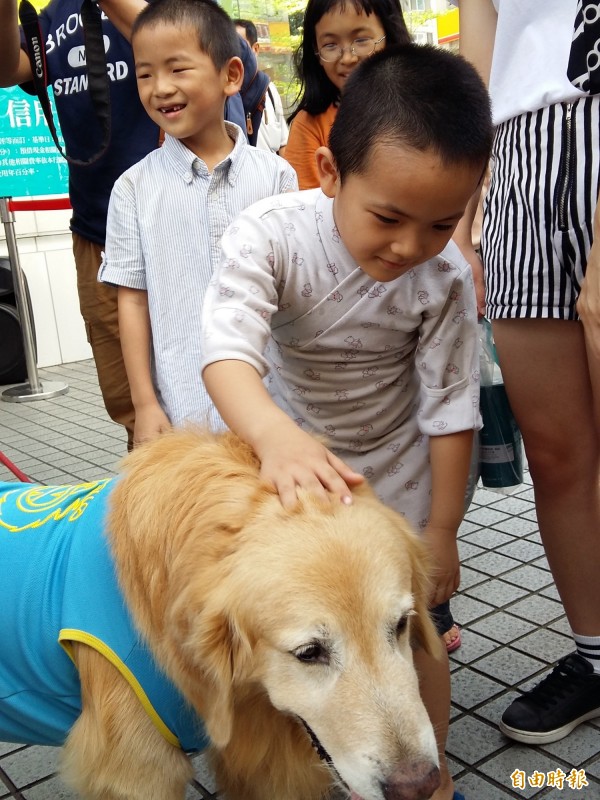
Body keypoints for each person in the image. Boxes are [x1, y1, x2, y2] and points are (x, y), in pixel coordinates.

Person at [201, 44, 493, 800]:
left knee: (414, 633)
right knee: (305, 646)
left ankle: (430, 775)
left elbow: (452, 407)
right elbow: (227, 353)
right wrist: (273, 435)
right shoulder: (270, 235)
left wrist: (441, 532)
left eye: (441, 223)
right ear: (328, 172)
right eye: (389, 217)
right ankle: (305, 768)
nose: (409, 247)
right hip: (292, 486)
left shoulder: (444, 275)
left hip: (396, 488)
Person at [0, 0, 257, 452]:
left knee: (232, 373)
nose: (159, 86)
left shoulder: (171, 8)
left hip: (194, 219)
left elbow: (205, 49)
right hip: (99, 224)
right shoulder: (55, 14)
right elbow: (9, 67)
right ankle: (160, 493)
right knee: (135, 404)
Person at [458, 0, 600, 744]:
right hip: (517, 148)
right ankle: (596, 655)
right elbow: (483, 32)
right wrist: (466, 192)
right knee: (555, 451)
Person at [98, 0, 297, 447]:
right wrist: (145, 404)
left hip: (275, 409)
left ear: (230, 75)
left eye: (177, 69)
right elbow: (131, 302)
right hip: (183, 412)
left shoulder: (276, 176)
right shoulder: (133, 188)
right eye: (145, 74)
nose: (159, 88)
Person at [284, 0, 410, 189]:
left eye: (361, 40)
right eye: (330, 45)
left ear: (389, 36)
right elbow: (307, 207)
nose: (348, 58)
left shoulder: (421, 107)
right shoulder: (309, 125)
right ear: (316, 51)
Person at [234, 18, 289, 157]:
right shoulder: (224, 96)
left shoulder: (269, 90)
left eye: (240, 46)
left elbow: (283, 143)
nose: (233, 52)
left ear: (255, 49)